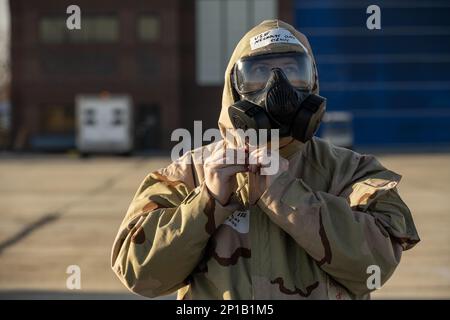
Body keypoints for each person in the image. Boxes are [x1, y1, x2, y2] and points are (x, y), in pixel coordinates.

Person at [111, 20, 419, 300]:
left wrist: (284, 194)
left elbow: (375, 267)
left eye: (291, 70)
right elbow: (138, 274)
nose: (278, 84)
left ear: (311, 82)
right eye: (259, 72)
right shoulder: (189, 172)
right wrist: (207, 201)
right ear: (235, 88)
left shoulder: (352, 172)